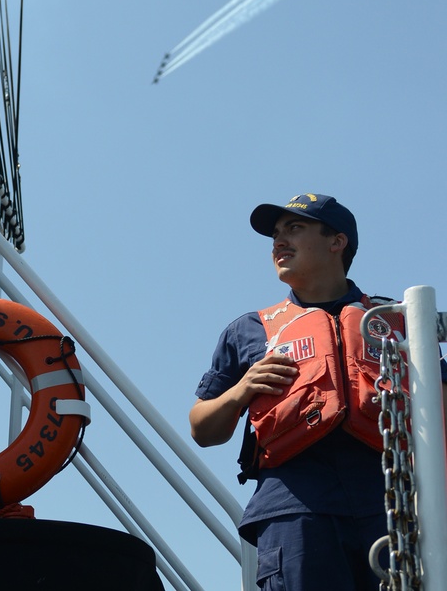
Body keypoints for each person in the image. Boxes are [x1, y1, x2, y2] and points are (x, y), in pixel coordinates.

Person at [189, 192, 447, 591]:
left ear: (337, 241)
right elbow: (203, 430)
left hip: (394, 509)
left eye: (294, 228)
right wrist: (242, 389)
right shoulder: (248, 330)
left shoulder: (398, 322)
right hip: (296, 514)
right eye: (275, 233)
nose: (279, 242)